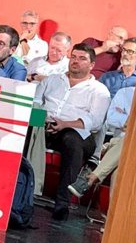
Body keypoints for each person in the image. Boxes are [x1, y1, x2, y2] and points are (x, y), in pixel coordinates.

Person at [34, 43, 111, 220]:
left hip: (75, 132)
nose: (75, 61)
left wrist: (65, 124)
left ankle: (62, 204)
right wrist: (42, 119)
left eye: (82, 58)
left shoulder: (99, 91)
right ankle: (18, 191)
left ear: (92, 65)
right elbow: (36, 102)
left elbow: (96, 122)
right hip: (43, 125)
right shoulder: (52, 80)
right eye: (73, 57)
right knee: (24, 131)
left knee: (72, 141)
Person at [68, 86, 134, 199]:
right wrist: (129, 122)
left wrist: (128, 119)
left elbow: (128, 124)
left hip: (123, 145)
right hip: (124, 147)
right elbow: (113, 119)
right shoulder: (126, 92)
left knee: (126, 150)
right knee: (121, 162)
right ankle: (114, 215)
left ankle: (92, 177)